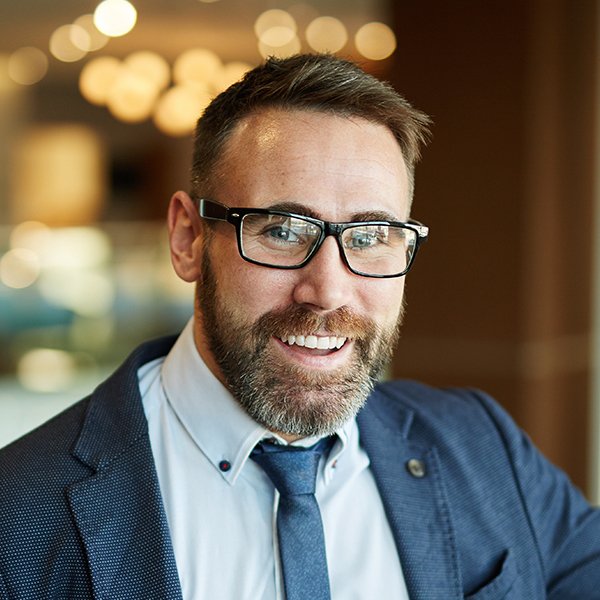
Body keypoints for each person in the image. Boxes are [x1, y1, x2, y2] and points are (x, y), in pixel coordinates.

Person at [0, 53, 599, 600]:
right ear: (187, 239)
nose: (328, 291)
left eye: (370, 236)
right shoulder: (18, 518)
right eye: (283, 230)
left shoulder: (482, 445)